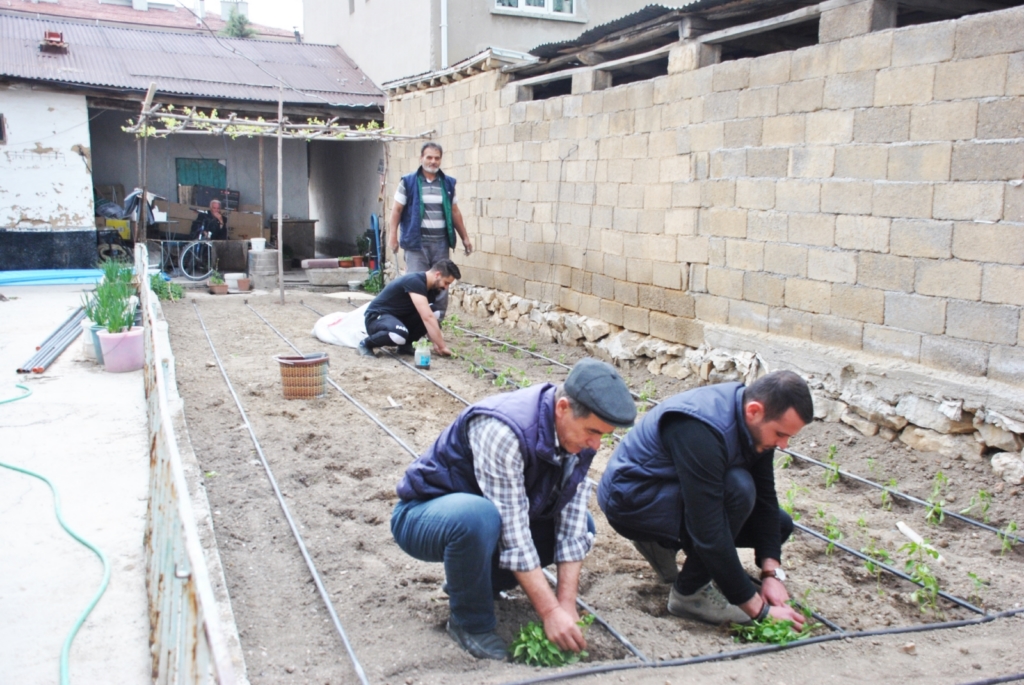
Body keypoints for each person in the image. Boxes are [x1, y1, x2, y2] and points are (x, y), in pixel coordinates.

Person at [391, 358, 636, 660]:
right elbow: (512, 530)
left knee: (584, 524)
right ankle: (471, 624)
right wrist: (548, 611)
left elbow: (571, 523)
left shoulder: (577, 439)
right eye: (593, 431)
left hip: (489, 521)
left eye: (603, 435)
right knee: (478, 517)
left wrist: (566, 606)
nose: (596, 445)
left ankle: (472, 583)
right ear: (563, 408)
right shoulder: (504, 430)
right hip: (424, 515)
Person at [598, 370, 813, 629]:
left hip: (674, 491)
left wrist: (771, 574)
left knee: (779, 526)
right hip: (632, 499)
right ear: (755, 411)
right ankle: (689, 595)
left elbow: (766, 499)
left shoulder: (755, 425)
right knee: (738, 490)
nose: (784, 445)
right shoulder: (700, 428)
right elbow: (708, 528)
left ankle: (663, 544)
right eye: (780, 434)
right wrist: (758, 610)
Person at [388, 142, 473, 320]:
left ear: (440, 160)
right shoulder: (408, 182)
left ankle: (436, 323)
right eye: (429, 157)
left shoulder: (448, 184)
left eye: (437, 158)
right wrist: (393, 236)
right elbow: (396, 210)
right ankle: (412, 324)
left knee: (442, 285)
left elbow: (455, 211)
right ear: (421, 158)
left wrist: (464, 237)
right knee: (415, 284)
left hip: (440, 243)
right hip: (416, 244)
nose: (433, 161)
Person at [357, 259, 461, 358]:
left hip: (398, 318)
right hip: (377, 318)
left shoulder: (431, 290)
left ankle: (406, 346)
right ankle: (365, 344)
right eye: (446, 283)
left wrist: (436, 344)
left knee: (434, 311)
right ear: (437, 274)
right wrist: (442, 346)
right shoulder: (415, 281)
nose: (446, 287)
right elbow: (427, 318)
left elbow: (428, 317)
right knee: (398, 335)